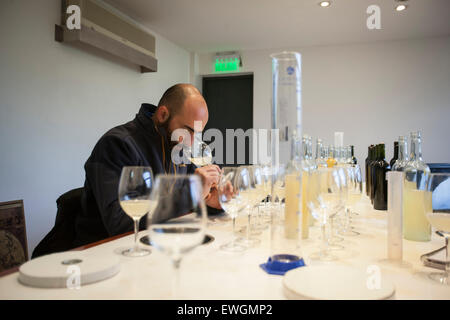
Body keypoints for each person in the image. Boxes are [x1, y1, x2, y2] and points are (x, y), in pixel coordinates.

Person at [74, 84, 222, 247]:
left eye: (197, 133)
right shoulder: (117, 145)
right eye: (188, 130)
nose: (192, 141)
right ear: (163, 114)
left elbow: (188, 202)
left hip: (159, 244)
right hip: (106, 253)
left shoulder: (178, 147)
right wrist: (192, 193)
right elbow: (120, 224)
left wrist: (212, 201)